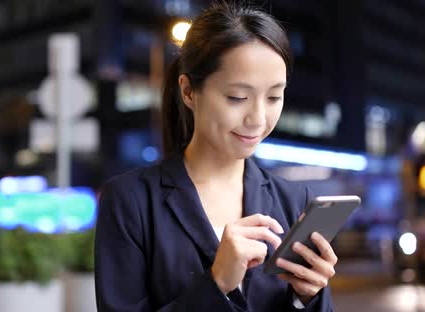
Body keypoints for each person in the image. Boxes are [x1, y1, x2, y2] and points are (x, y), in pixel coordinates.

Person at [95, 2, 336, 311]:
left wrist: (309, 297)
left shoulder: (294, 202)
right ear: (189, 92)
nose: (258, 119)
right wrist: (216, 284)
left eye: (274, 96)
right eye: (238, 97)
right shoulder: (131, 201)